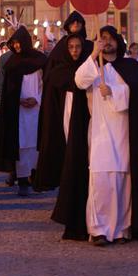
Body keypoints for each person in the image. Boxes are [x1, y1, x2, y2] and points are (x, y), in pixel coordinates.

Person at [54, 26, 138, 245]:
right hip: (99, 132)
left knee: (121, 183)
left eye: (110, 39)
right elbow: (80, 81)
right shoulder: (91, 66)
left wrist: (116, 92)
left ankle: (120, 230)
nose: (106, 42)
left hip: (123, 133)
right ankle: (98, 230)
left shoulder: (130, 66)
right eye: (102, 39)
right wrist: (91, 55)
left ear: (118, 42)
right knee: (100, 182)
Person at [34, 34, 89, 192]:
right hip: (65, 113)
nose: (74, 51)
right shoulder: (58, 71)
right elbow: (51, 101)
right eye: (71, 47)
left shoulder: (89, 68)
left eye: (78, 47)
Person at [0, 26, 46, 196]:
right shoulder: (11, 64)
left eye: (19, 43)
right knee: (22, 145)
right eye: (14, 43)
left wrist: (37, 99)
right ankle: (23, 180)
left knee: (36, 145)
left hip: (37, 110)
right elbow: (8, 90)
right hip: (18, 112)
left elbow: (45, 85)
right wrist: (17, 100)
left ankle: (36, 176)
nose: (17, 46)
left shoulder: (40, 60)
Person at [44, 11, 92, 82]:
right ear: (68, 25)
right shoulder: (62, 44)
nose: (75, 24)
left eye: (78, 21)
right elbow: (51, 65)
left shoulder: (89, 45)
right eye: (72, 22)